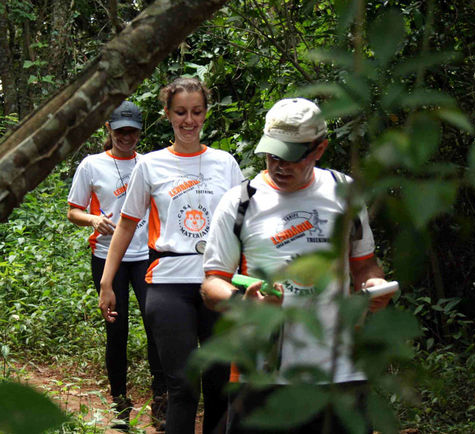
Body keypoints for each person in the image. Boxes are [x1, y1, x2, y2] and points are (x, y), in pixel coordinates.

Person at [201, 98, 395, 433]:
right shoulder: (240, 202)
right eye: (272, 154)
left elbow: (365, 265)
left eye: (291, 156)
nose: (279, 165)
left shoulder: (345, 193)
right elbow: (210, 284)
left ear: (320, 149)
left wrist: (375, 286)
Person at [98, 77, 244, 434]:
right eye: (180, 112)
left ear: (206, 113)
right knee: (182, 385)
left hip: (219, 281)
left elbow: (245, 226)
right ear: (167, 114)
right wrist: (106, 281)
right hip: (167, 281)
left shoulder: (225, 164)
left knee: (217, 385)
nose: (189, 120)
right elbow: (127, 225)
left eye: (196, 112)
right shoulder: (150, 165)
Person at [67, 100, 167, 431]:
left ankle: (161, 401)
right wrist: (93, 219)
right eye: (121, 131)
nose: (127, 137)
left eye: (133, 132)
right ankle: (120, 405)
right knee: (117, 331)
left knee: (156, 328)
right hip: (107, 257)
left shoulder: (150, 164)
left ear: (140, 132)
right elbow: (73, 211)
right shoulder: (92, 165)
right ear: (108, 129)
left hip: (145, 256)